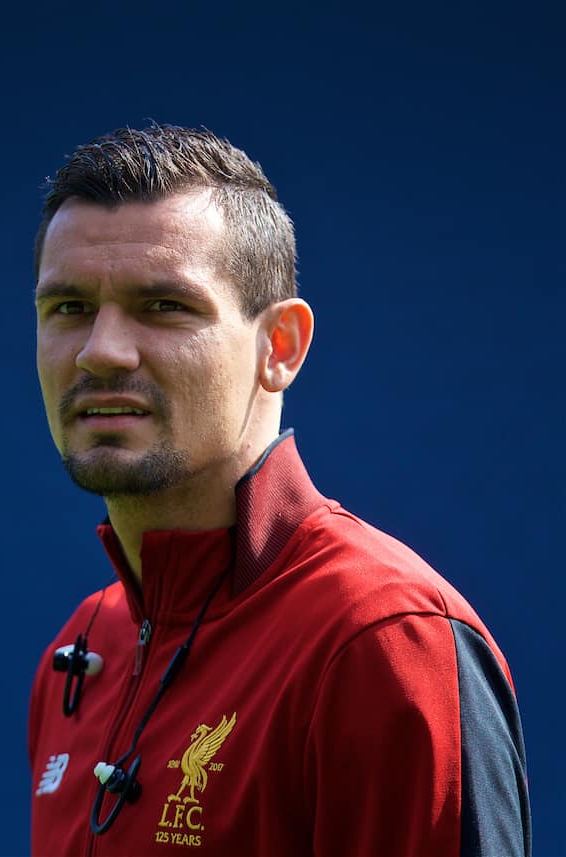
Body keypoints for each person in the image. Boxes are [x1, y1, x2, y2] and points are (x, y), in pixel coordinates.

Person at [27, 124, 530, 857]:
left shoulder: (384, 642)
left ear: (280, 348)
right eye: (68, 307)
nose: (102, 350)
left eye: (164, 305)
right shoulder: (78, 650)